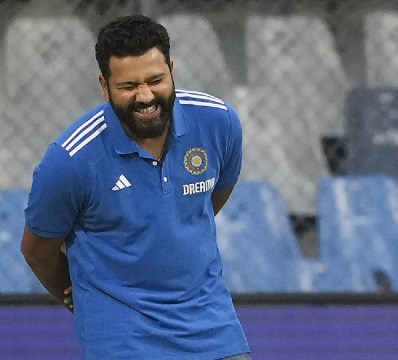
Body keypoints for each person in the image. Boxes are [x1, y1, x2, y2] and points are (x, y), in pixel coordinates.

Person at [21, 15, 251, 360]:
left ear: (172, 70)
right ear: (104, 86)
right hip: (122, 341)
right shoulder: (69, 160)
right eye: (128, 87)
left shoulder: (220, 122)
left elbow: (210, 199)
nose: (145, 96)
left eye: (156, 80)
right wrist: (81, 295)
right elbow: (37, 249)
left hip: (214, 332)